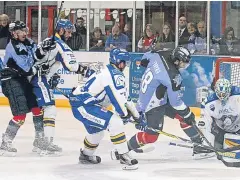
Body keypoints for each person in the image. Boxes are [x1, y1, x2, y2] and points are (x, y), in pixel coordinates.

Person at [68, 48, 140, 170]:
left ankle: (86, 155)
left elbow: (125, 98)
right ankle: (123, 155)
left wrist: (136, 115)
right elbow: (118, 100)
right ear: (119, 62)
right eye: (125, 62)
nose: (126, 65)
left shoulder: (109, 71)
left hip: (84, 104)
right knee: (115, 122)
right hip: (84, 106)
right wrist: (125, 115)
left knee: (97, 132)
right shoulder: (114, 74)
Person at [126, 46, 203, 155]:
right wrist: (188, 113)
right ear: (176, 61)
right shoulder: (173, 76)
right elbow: (175, 103)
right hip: (152, 105)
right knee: (151, 137)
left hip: (154, 98)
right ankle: (124, 148)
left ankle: (199, 145)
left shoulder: (160, 53)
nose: (184, 65)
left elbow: (144, 58)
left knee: (183, 118)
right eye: (183, 63)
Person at [30, 19, 88, 155]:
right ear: (61, 30)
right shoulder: (60, 45)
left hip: (33, 78)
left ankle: (39, 143)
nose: (70, 35)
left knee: (40, 111)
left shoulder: (47, 41)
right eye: (68, 32)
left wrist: (51, 76)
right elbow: (72, 66)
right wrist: (88, 71)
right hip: (38, 79)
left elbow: (38, 58)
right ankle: (46, 143)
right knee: (50, 109)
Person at [0, 21, 55, 156]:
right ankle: (5, 143)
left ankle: (39, 141)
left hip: (23, 80)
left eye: (25, 30)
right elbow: (27, 69)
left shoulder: (28, 41)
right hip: (11, 81)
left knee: (37, 109)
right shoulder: (12, 47)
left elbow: (36, 55)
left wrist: (44, 48)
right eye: (21, 31)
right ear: (14, 33)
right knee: (20, 115)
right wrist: (40, 67)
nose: (25, 33)